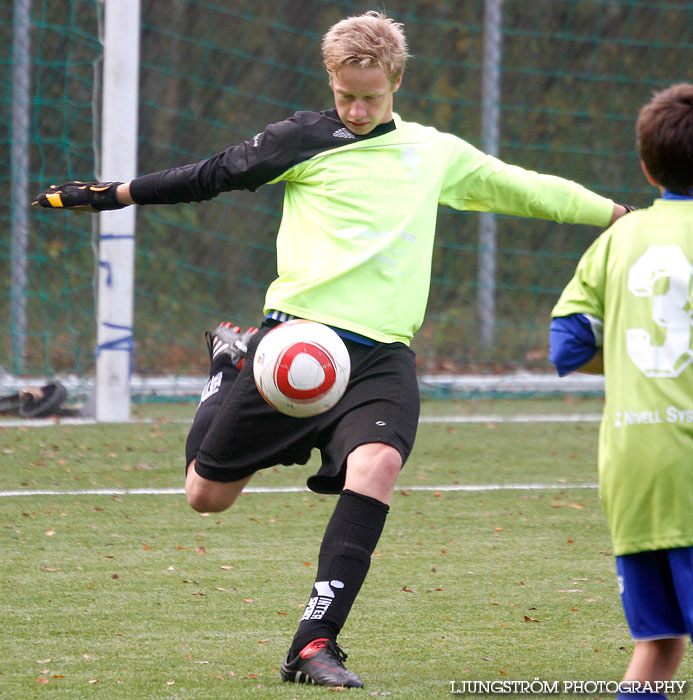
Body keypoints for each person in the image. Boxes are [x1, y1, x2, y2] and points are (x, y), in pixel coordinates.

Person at [35, 11, 631, 688]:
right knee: (205, 495)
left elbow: (525, 189)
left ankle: (314, 644)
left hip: (379, 359)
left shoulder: (433, 154)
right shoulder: (302, 139)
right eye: (345, 94)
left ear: (396, 80)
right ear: (330, 78)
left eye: (370, 96)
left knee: (376, 465)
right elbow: (211, 175)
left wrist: (622, 219)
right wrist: (110, 195)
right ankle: (228, 366)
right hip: (295, 348)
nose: (354, 108)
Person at [549, 83, 693, 699]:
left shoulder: (617, 239)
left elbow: (567, 347)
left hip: (633, 468)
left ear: (645, 164)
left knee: (658, 645)